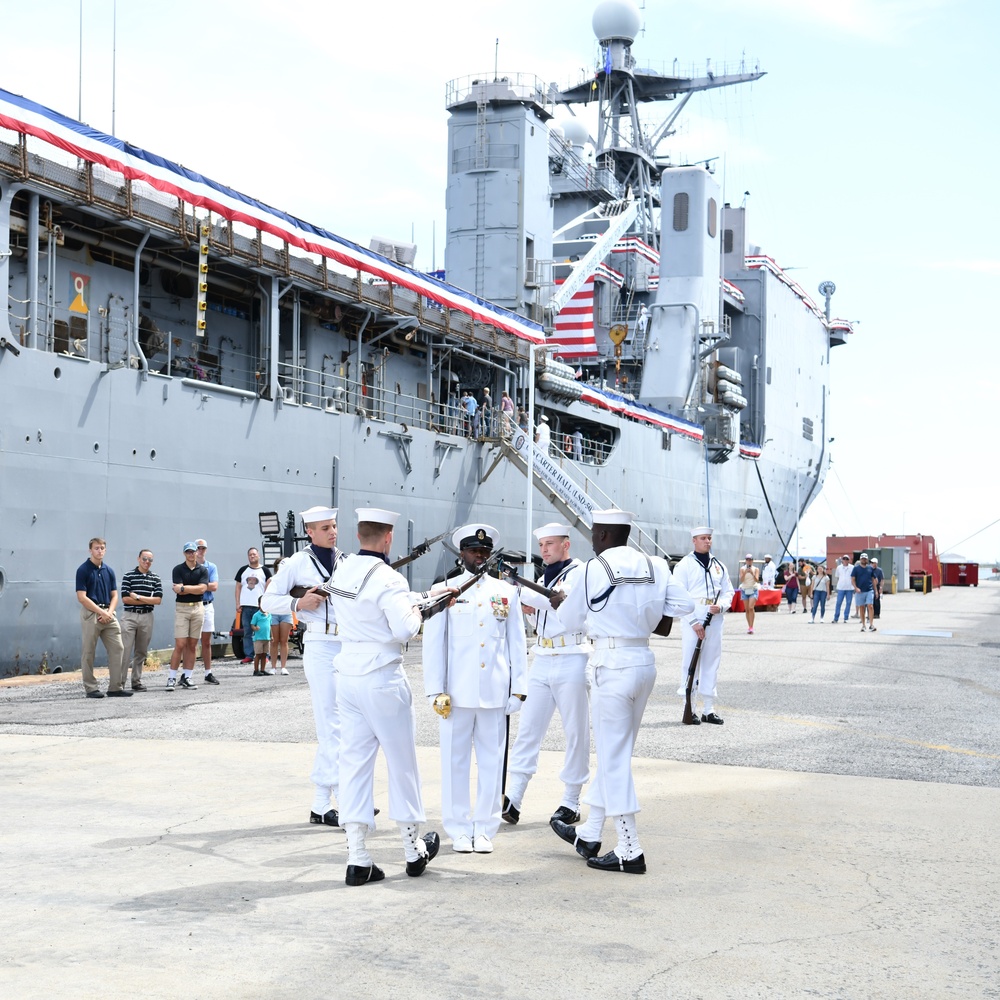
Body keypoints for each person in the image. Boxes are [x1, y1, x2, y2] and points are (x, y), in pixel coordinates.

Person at [548, 509, 694, 873]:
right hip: (644, 661)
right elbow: (684, 606)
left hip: (611, 665)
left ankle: (631, 849)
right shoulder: (656, 565)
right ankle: (591, 833)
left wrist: (561, 602)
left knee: (613, 759)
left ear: (601, 536)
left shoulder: (589, 570)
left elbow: (567, 622)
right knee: (618, 753)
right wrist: (645, 615)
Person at [327, 507, 442, 885]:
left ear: (359, 536)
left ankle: (358, 857)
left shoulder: (341, 569)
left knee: (354, 764)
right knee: (402, 763)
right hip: (382, 676)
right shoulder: (389, 578)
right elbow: (406, 629)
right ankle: (412, 850)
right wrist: (424, 605)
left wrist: (414, 598)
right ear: (388, 537)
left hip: (347, 673)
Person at [423, 523, 527, 855]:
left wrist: (518, 688)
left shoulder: (506, 592)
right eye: (473, 551)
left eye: (483, 552)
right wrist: (433, 689)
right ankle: (457, 829)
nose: (479, 557)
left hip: (494, 693)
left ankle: (484, 828)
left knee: (492, 763)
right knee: (454, 764)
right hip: (456, 693)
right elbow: (434, 644)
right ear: (461, 554)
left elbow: (516, 643)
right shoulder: (445, 589)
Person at [261, 506, 346, 827]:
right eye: (325, 527)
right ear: (309, 531)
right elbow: (267, 601)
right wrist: (298, 603)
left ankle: (321, 805)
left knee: (343, 725)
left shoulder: (347, 561)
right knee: (332, 724)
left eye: (334, 526)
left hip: (348, 645)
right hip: (321, 645)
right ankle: (345, 797)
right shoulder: (296, 563)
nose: (332, 532)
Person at [503, 522, 590, 828]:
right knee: (528, 729)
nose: (544, 550)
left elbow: (556, 600)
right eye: (542, 545)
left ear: (566, 544)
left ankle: (571, 800)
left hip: (571, 656)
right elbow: (539, 603)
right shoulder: (542, 576)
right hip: (542, 657)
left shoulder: (580, 573)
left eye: (550, 544)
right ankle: (513, 796)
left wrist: (519, 587)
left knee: (575, 732)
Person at [673, 527, 735, 724]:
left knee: (711, 662)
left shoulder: (719, 565)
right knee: (691, 663)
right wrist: (693, 622)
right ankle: (688, 706)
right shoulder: (684, 565)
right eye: (703, 538)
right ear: (694, 540)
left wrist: (722, 606)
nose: (707, 541)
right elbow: (678, 595)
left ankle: (708, 709)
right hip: (694, 616)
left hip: (714, 618)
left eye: (709, 538)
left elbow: (728, 592)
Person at [75, 537, 126, 698]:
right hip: (91, 614)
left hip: (108, 614)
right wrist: (101, 612)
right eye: (96, 548)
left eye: (102, 548)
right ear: (90, 550)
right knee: (89, 651)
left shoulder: (109, 571)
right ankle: (91, 688)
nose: (99, 551)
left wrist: (109, 613)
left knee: (118, 648)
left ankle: (115, 687)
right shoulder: (83, 570)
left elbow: (115, 595)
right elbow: (82, 597)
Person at [167, 542, 209, 690]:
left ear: (197, 553)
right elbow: (178, 591)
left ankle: (187, 677)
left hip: (198, 608)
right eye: (188, 552)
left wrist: (184, 587)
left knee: (192, 645)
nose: (191, 554)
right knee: (180, 644)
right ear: (184, 553)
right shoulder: (178, 569)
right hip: (182, 609)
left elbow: (202, 589)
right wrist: (191, 589)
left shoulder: (202, 570)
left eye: (193, 551)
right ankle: (171, 677)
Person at [119, 549, 163, 691]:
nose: (147, 562)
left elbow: (158, 600)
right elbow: (125, 598)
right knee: (125, 650)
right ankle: (120, 682)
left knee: (141, 651)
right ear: (138, 559)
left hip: (147, 617)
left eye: (150, 560)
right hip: (130, 616)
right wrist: (147, 600)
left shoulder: (155, 578)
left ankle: (136, 681)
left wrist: (137, 597)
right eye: (144, 559)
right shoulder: (128, 576)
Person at [235, 548, 272, 664]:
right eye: (250, 555)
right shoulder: (242, 570)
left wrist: (266, 604)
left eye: (254, 554)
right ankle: (249, 655)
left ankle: (265, 655)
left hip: (260, 608)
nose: (252, 556)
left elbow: (269, 587)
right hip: (246, 606)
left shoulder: (265, 571)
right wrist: (237, 603)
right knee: (247, 632)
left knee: (263, 632)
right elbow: (238, 587)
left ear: (259, 556)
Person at [194, 539, 221, 685]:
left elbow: (215, 586)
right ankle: (187, 674)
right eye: (197, 548)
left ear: (206, 550)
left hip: (207, 604)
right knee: (189, 642)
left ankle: (208, 672)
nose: (200, 550)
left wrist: (198, 586)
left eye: (202, 548)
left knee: (206, 641)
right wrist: (205, 586)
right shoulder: (189, 566)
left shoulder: (212, 567)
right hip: (193, 604)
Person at [267, 557, 293, 675]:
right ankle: (273, 666)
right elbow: (266, 597)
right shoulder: (271, 580)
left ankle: (283, 666)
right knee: (274, 640)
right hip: (274, 612)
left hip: (286, 612)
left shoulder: (291, 580)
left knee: (284, 640)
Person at [852, 553, 877, 632]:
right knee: (862, 607)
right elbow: (852, 579)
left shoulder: (870, 568)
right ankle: (863, 625)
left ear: (867, 559)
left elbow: (873, 580)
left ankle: (871, 624)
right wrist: (856, 588)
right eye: (862, 558)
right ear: (860, 559)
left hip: (869, 590)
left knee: (870, 606)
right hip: (860, 591)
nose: (864, 560)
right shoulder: (856, 569)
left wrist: (876, 590)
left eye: (865, 559)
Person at [250, 599, 272, 675]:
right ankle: (256, 670)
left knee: (264, 654)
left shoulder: (269, 615)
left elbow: (270, 626)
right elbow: (252, 624)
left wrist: (271, 636)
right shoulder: (256, 615)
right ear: (259, 604)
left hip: (266, 638)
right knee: (258, 654)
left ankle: (262, 669)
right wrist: (255, 628)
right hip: (258, 638)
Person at [738, 554, 759, 634]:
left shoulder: (755, 569)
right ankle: (749, 626)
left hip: (753, 589)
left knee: (751, 607)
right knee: (747, 609)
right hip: (745, 589)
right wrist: (745, 573)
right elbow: (742, 580)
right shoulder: (742, 569)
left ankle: (752, 626)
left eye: (750, 559)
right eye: (747, 559)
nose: (748, 561)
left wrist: (752, 573)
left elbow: (757, 580)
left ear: (752, 560)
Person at [832, 554, 855, 623]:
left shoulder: (852, 567)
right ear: (842, 560)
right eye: (844, 559)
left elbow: (854, 577)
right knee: (838, 603)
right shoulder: (839, 567)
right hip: (841, 587)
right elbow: (837, 576)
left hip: (850, 588)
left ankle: (846, 617)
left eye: (846, 559)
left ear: (848, 560)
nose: (845, 560)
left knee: (848, 603)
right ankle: (836, 618)